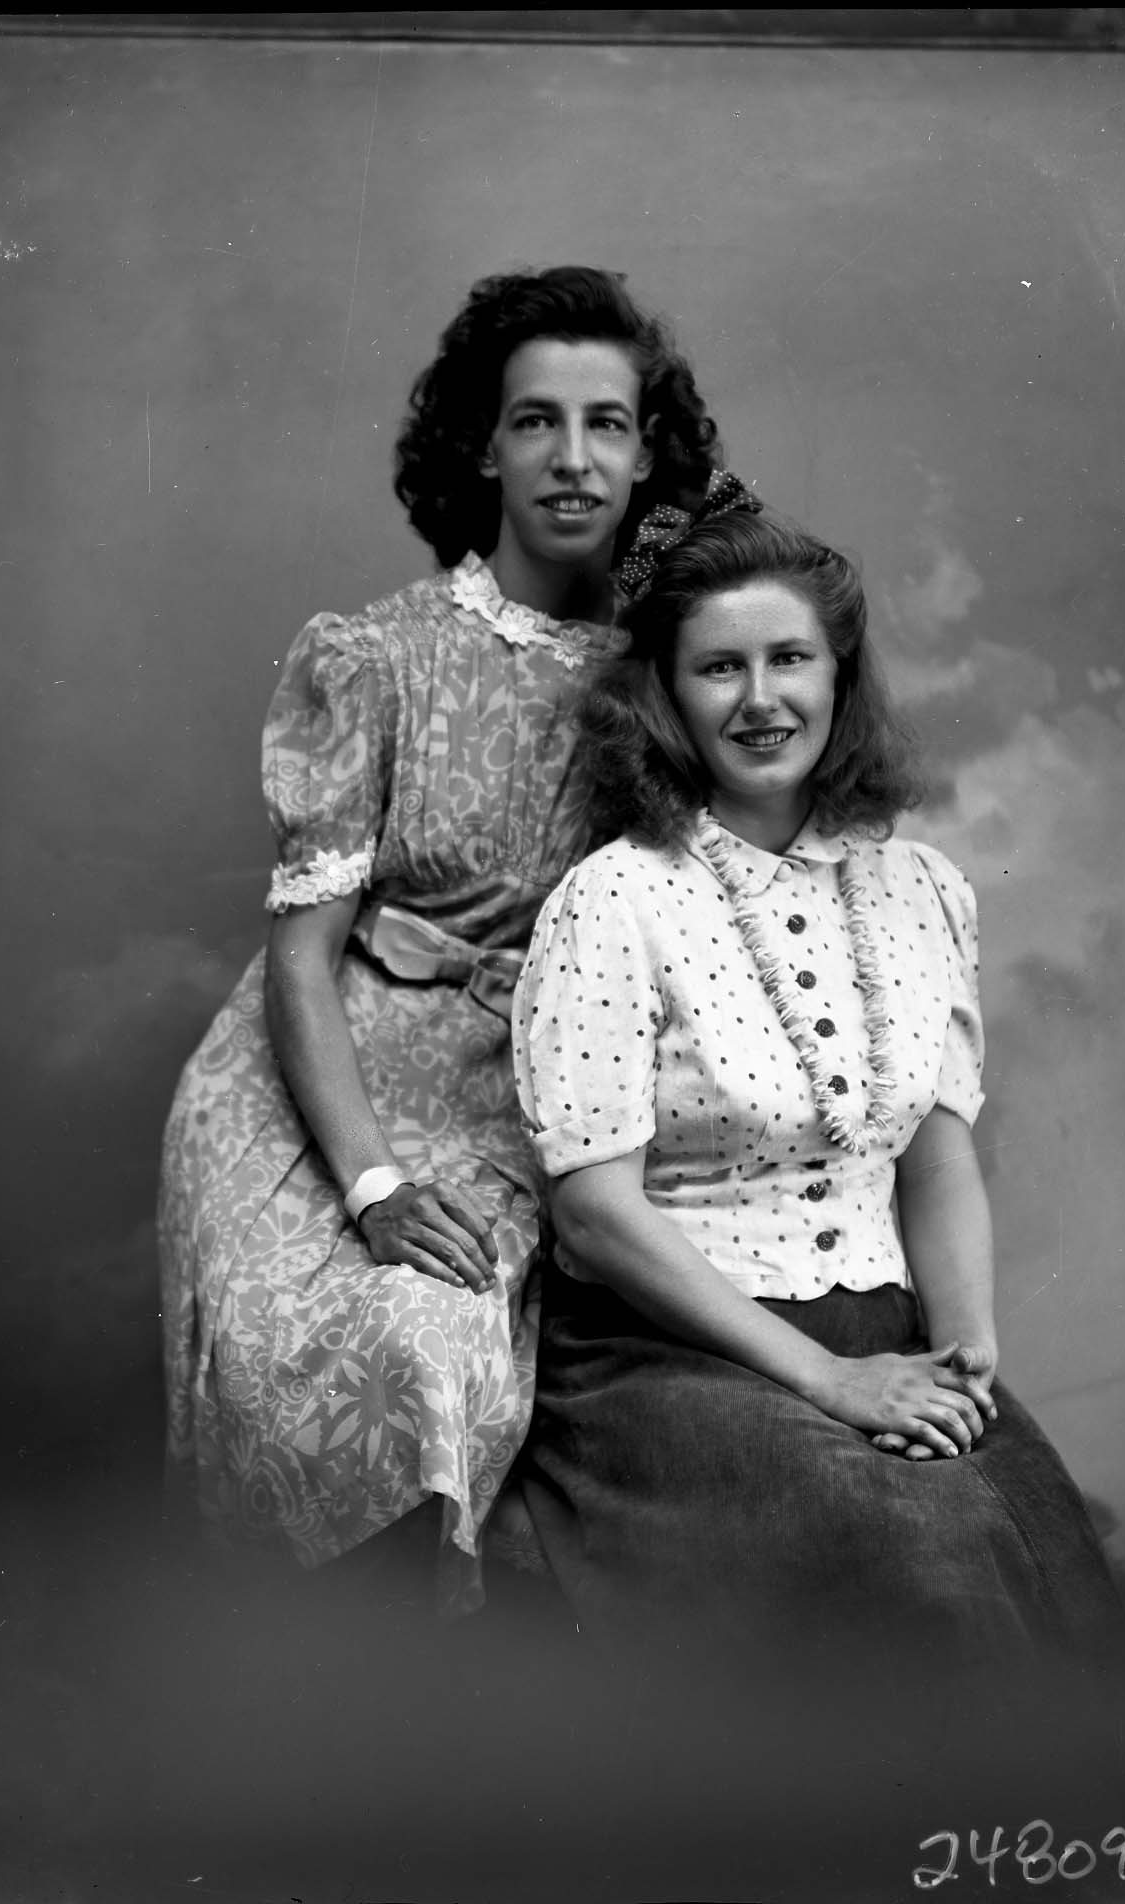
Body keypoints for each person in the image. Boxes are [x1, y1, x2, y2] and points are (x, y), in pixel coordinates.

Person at [156, 265, 724, 1608]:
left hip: (515, 1098)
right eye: (535, 421)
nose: (572, 458)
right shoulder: (377, 655)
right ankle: (307, 1692)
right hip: (310, 1094)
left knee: (434, 1348)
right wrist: (373, 1188)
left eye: (606, 423)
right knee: (322, 1357)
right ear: (483, 446)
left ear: (649, 453)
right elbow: (304, 957)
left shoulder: (673, 671)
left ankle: (419, 1689)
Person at [511, 507, 1125, 1681]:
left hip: (877, 1326)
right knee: (924, 1570)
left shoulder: (921, 888)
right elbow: (592, 1211)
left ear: (838, 674)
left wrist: (963, 1348)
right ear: (665, 694)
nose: (760, 699)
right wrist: (830, 1380)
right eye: (718, 667)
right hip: (667, 1348)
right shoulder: (615, 898)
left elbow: (935, 1156)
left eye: (788, 657)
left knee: (1050, 1558)